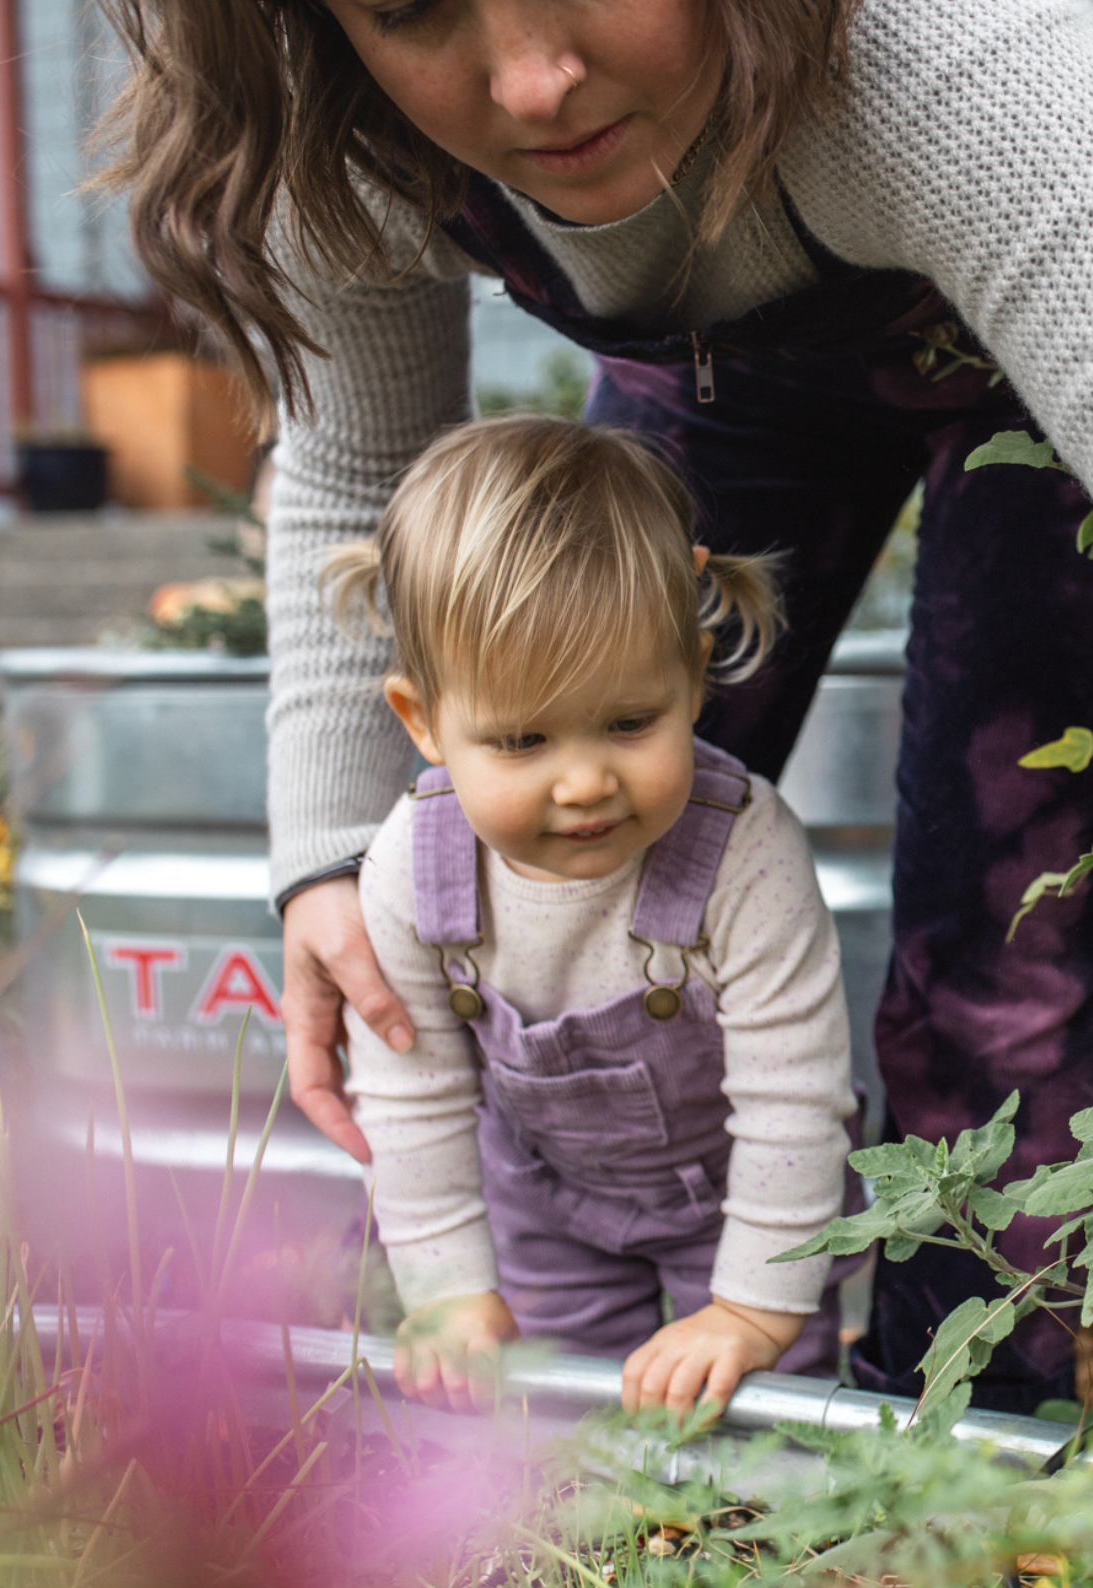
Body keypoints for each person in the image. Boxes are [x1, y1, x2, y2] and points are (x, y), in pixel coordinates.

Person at [100, 0, 1093, 1473]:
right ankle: (622, 1370)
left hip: (1054, 222)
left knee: (994, 937)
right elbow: (365, 466)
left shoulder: (936, 44)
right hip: (735, 319)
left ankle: (948, 1472)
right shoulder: (329, 107)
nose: (534, 83)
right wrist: (335, 857)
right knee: (562, 759)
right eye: (418, 6)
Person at [326, 414, 855, 1417]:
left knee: (764, 1430)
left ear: (692, 678)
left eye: (628, 723)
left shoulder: (746, 851)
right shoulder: (410, 864)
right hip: (546, 1199)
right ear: (423, 722)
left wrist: (750, 1313)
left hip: (741, 1194)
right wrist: (447, 1293)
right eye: (522, 740)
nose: (583, 782)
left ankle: (777, 1556)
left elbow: (793, 1099)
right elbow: (414, 1093)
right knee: (562, 1428)